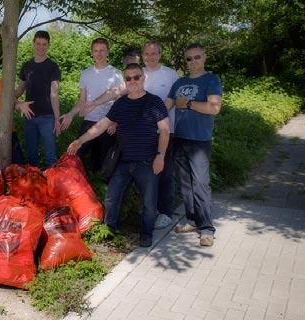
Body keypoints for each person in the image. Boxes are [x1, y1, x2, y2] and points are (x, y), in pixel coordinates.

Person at [67, 63, 170, 248]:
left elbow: (164, 131)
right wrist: (80, 140)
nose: (132, 81)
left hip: (147, 162)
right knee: (112, 197)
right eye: (128, 78)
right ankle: (110, 231)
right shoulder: (121, 103)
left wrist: (160, 156)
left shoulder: (154, 102)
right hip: (123, 161)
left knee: (149, 202)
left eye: (136, 77)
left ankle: (146, 235)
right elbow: (101, 125)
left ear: (143, 78)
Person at [166, 43, 222, 247]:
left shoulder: (211, 79)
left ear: (204, 57)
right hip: (179, 138)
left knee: (200, 184)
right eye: (189, 59)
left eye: (197, 57)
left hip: (200, 141)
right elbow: (167, 105)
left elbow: (214, 108)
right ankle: (192, 221)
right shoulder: (180, 81)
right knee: (185, 185)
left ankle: (207, 229)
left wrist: (188, 103)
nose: (193, 62)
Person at [60, 38, 125, 172]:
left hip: (108, 123)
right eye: (96, 51)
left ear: (108, 52)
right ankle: (77, 187)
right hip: (89, 122)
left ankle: (104, 189)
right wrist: (71, 114)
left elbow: (120, 100)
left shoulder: (116, 73)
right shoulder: (86, 74)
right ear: (92, 52)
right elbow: (82, 100)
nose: (99, 54)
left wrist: (115, 121)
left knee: (105, 164)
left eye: (102, 50)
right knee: (76, 156)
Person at [142, 40, 180, 230]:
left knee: (165, 172)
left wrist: (155, 118)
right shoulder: (138, 75)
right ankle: (151, 210)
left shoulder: (171, 74)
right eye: (146, 54)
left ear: (160, 54)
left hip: (166, 131)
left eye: (154, 53)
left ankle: (166, 212)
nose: (150, 57)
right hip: (144, 134)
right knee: (148, 173)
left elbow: (172, 100)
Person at [15, 30, 61, 167]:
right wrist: (12, 100)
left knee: (50, 156)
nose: (41, 47)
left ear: (48, 45)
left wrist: (57, 119)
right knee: (31, 156)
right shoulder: (27, 66)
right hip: (29, 116)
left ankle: (52, 185)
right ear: (33, 44)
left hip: (47, 117)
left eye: (44, 44)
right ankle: (33, 185)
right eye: (38, 43)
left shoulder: (53, 67)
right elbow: (20, 89)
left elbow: (54, 94)